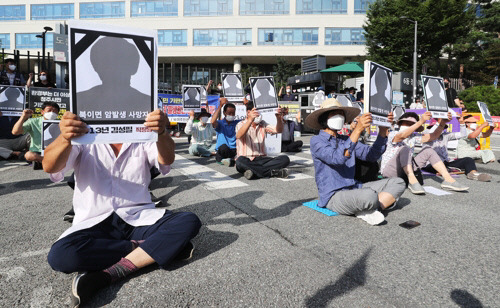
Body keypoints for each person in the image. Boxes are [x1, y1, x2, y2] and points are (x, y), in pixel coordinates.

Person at [44, 110, 201, 308]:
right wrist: (65, 138)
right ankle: (152, 249)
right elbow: (50, 166)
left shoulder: (142, 130)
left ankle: (109, 274)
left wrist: (161, 132)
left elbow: (166, 159)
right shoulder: (83, 131)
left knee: (188, 221)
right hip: (94, 220)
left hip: (138, 216)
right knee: (62, 256)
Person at [307, 98, 405, 226]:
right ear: (324, 118)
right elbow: (337, 158)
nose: (339, 117)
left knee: (398, 182)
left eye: (341, 114)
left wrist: (382, 130)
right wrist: (357, 130)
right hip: (334, 196)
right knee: (369, 196)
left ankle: (367, 208)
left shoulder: (345, 139)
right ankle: (368, 205)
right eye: (334, 114)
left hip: (355, 186)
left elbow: (371, 155)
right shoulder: (317, 141)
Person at [380, 111, 469, 194]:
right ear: (400, 123)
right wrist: (421, 121)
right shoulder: (393, 133)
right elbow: (401, 136)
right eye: (407, 123)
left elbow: (433, 136)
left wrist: (442, 123)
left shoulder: (414, 137)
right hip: (391, 170)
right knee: (405, 149)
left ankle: (448, 180)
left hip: (406, 169)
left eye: (412, 124)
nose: (409, 125)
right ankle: (412, 180)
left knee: (428, 150)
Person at [422, 117, 491, 182]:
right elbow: (432, 132)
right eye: (439, 127)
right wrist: (439, 123)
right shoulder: (426, 133)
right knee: (438, 165)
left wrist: (461, 123)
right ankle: (444, 170)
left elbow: (462, 135)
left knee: (468, 159)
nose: (441, 129)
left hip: (445, 162)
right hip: (431, 164)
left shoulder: (445, 135)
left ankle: (473, 174)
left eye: (442, 127)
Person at [235, 102, 290, 179]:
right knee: (240, 161)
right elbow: (239, 135)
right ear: (248, 112)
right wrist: (250, 120)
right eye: (256, 112)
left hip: (262, 159)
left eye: (260, 112)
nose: (258, 115)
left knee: (285, 159)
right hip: (247, 159)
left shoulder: (262, 124)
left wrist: (278, 117)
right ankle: (273, 172)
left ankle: (254, 172)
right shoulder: (240, 124)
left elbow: (278, 130)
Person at [11, 102, 60, 168]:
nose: (52, 113)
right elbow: (15, 132)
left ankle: (43, 162)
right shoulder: (33, 121)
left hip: (55, 151)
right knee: (29, 155)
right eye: (49, 110)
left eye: (54, 111)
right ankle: (47, 161)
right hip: (37, 152)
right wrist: (23, 117)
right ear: (42, 112)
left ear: (57, 113)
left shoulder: (61, 123)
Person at [211, 98, 240, 166]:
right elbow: (213, 121)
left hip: (234, 150)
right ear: (224, 113)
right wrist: (220, 106)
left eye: (233, 113)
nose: (231, 115)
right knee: (223, 147)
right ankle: (227, 160)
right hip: (223, 150)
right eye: (229, 113)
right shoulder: (220, 123)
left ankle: (230, 160)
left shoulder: (237, 123)